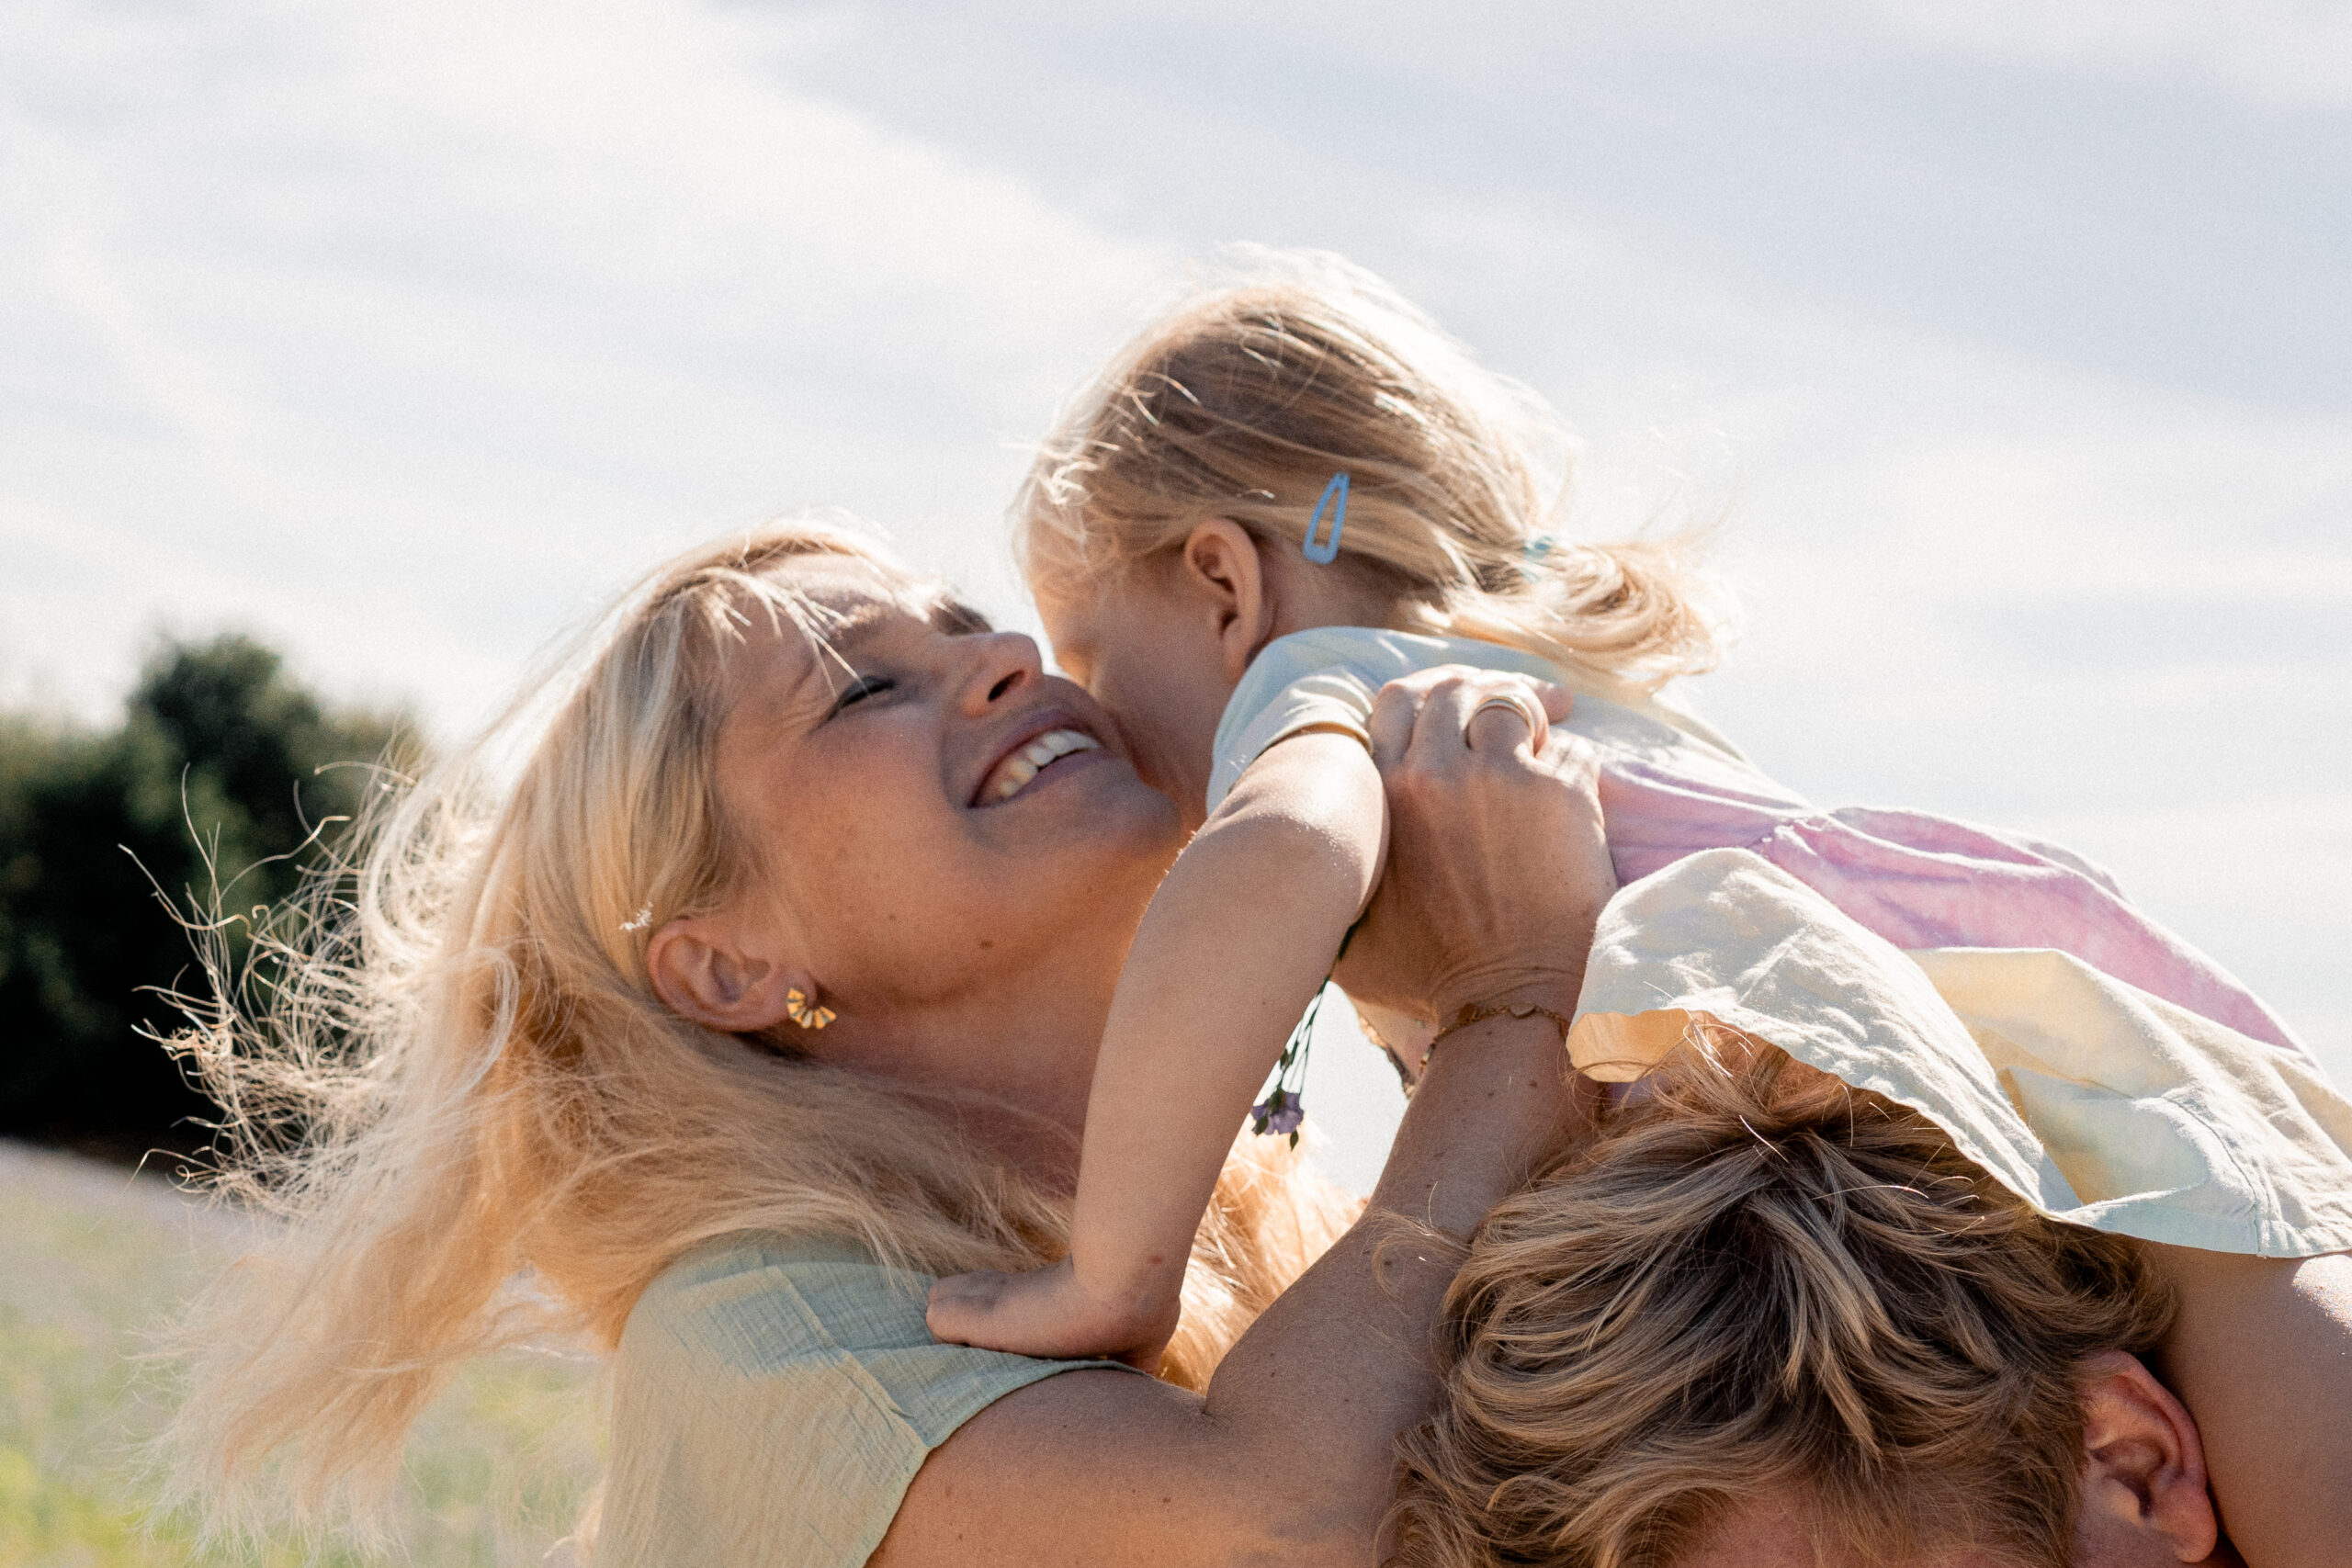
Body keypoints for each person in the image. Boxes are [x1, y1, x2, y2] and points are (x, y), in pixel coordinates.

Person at [922, 251, 2322, 1376]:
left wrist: (1115, 1267)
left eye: (1100, 667)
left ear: (1225, 587)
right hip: (1995, 1060)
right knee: (2240, 1292)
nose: (1099, 726)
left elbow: (1277, 854)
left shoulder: (1313, 683)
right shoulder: (1568, 696)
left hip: (1835, 1143)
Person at [162, 521, 1623, 1566]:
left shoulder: (1290, 1242)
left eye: (966, 620)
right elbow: (1287, 1525)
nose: (1002, 657)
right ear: (729, 964)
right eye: (867, 686)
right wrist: (1507, 1001)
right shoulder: (767, 1332)